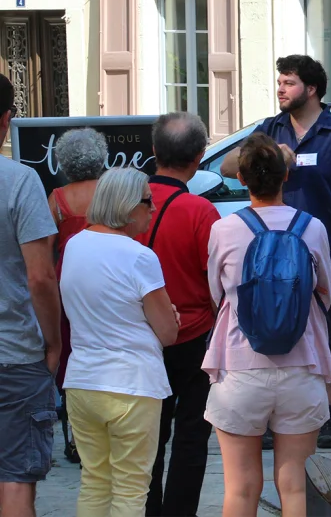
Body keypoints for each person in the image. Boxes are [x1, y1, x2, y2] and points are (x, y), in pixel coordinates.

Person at [221, 55, 331, 448]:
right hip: (270, 255)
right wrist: (270, 155)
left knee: (328, 335)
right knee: (275, 326)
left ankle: (327, 412)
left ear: (311, 88)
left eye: (288, 82)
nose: (280, 89)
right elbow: (225, 166)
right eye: (279, 82)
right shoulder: (270, 130)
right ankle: (276, 413)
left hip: (328, 252)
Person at [203, 132, 331, 517]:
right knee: (295, 486)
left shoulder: (224, 230)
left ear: (241, 179)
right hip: (301, 365)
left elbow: (217, 294)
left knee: (240, 489)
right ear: (286, 176)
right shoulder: (312, 228)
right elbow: (325, 292)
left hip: (239, 369)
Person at [61, 167, 179, 517]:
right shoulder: (140, 257)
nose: (153, 209)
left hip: (82, 381)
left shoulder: (74, 245)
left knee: (95, 481)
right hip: (132, 384)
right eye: (148, 202)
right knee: (130, 490)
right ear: (128, 207)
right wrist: (168, 314)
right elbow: (168, 332)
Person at [137, 112, 220, 517]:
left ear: (154, 152)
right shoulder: (200, 213)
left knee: (147, 435)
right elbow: (217, 282)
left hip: (139, 337)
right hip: (192, 338)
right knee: (191, 436)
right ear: (201, 156)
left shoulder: (126, 205)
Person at [0, 74, 61, 517]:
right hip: (15, 354)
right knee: (16, 478)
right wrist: (54, 341)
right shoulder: (19, 180)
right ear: (6, 121)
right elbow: (40, 276)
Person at [48, 127, 109, 462]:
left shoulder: (57, 199)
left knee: (71, 355)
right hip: (109, 281)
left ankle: (75, 436)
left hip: (68, 285)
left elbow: (44, 251)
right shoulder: (111, 193)